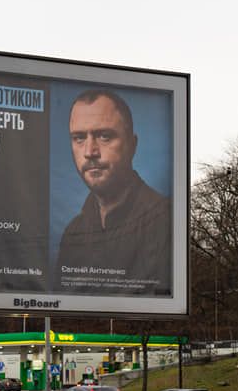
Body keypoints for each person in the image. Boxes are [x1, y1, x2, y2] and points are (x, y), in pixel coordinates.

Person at [55, 89, 171, 295]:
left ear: (132, 145)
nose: (90, 152)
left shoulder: (165, 220)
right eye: (79, 138)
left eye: (104, 136)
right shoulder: (72, 234)